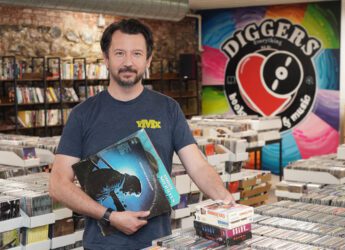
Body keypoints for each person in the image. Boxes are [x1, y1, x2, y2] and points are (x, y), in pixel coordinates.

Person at [49, 18, 234, 249]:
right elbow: (57, 184)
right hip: (101, 245)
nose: (128, 62)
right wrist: (109, 216)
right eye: (119, 53)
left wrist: (225, 199)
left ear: (148, 60)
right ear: (106, 59)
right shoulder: (82, 115)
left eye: (137, 54)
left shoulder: (168, 109)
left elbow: (197, 166)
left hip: (157, 243)